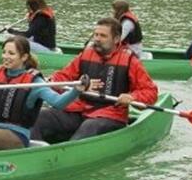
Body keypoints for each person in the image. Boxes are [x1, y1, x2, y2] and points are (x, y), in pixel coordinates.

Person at [30, 17, 158, 143]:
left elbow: (150, 91)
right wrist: (52, 81)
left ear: (116, 39)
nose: (97, 39)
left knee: (89, 127)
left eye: (103, 36)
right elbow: (63, 76)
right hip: (79, 110)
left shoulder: (130, 61)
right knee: (40, 116)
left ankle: (70, 151)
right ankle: (35, 149)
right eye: (96, 35)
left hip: (110, 114)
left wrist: (132, 97)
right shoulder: (85, 55)